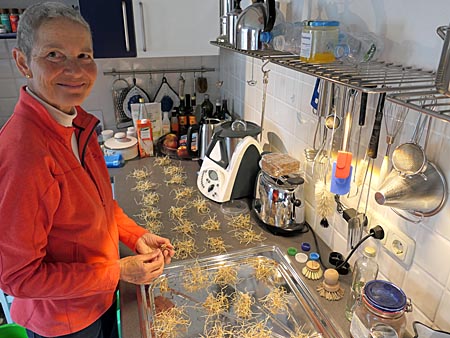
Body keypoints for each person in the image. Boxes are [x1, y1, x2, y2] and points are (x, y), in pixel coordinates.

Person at [0, 3, 175, 338]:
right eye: (54, 54)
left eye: (84, 55)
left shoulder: (78, 122)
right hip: (64, 322)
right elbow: (18, 278)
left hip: (99, 299)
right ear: (23, 62)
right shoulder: (23, 154)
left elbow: (101, 207)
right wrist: (117, 271)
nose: (75, 70)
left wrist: (135, 236)